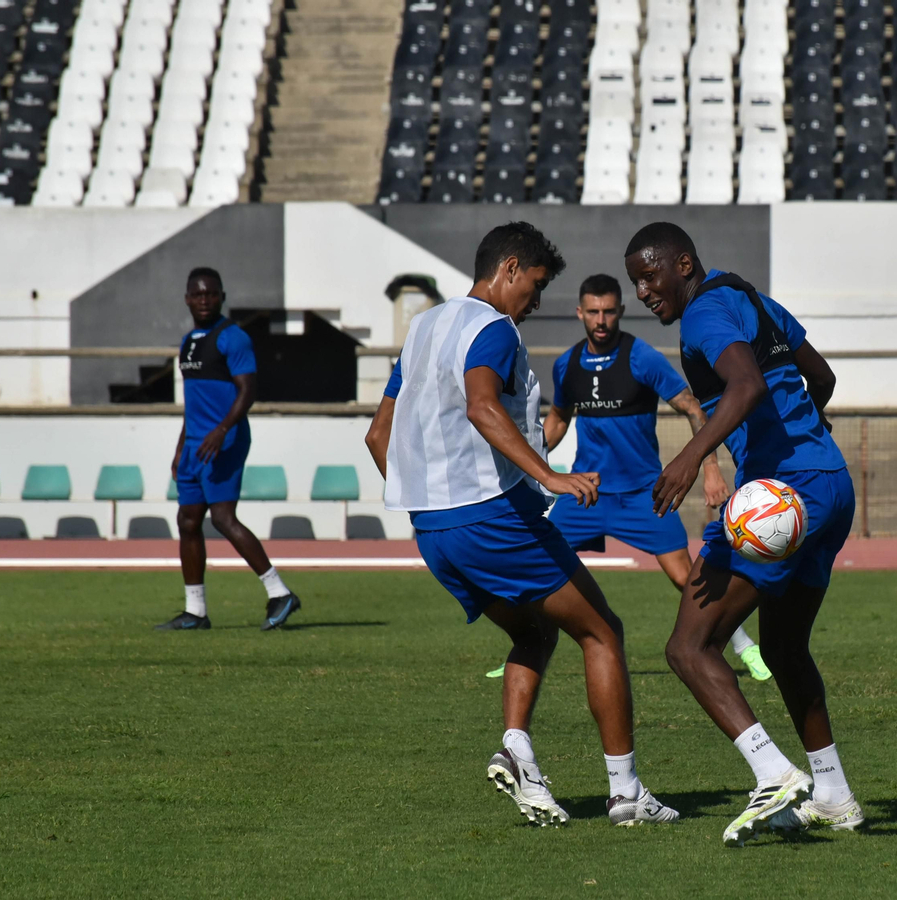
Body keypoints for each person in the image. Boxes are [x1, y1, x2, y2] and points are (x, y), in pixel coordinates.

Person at [363, 222, 677, 828]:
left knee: (535, 633)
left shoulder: (423, 328)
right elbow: (482, 405)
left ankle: (519, 753)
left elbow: (379, 435)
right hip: (493, 518)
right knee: (603, 632)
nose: (534, 304)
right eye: (534, 287)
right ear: (508, 269)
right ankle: (626, 792)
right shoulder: (492, 329)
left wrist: (428, 499)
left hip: (434, 530)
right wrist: (552, 476)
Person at [623, 222, 862, 847]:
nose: (645, 292)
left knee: (688, 646)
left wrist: (687, 457)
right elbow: (823, 378)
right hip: (831, 486)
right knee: (783, 650)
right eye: (636, 283)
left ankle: (771, 773)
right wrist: (805, 435)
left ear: (684, 262)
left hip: (782, 498)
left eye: (651, 275)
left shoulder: (703, 316)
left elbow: (747, 386)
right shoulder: (752, 298)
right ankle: (833, 794)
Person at [517, 272, 768, 683]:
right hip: (588, 495)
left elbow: (692, 408)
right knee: (536, 565)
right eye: (593, 312)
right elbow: (559, 419)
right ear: (580, 313)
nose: (601, 320)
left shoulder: (642, 357)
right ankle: (525, 654)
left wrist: (709, 469)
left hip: (644, 495)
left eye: (609, 312)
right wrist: (528, 462)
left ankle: (743, 645)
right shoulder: (567, 365)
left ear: (620, 312)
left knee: (684, 577)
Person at [156, 267, 301, 632]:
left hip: (225, 440)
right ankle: (196, 611)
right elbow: (195, 402)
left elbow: (247, 391)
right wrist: (179, 448)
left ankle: (279, 593)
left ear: (222, 296)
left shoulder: (232, 338)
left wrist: (222, 430)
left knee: (222, 518)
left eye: (211, 293)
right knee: (187, 521)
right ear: (187, 298)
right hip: (195, 445)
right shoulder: (189, 341)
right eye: (197, 294)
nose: (204, 299)